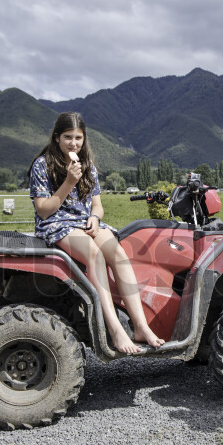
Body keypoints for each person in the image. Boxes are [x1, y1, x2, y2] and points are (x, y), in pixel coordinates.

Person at [28, 112, 164, 354]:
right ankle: (114, 329)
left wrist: (95, 217)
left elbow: (97, 204)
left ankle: (141, 326)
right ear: (57, 137)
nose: (73, 143)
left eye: (78, 137)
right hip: (57, 223)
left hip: (84, 221)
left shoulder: (88, 165)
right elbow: (44, 210)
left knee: (119, 255)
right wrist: (69, 181)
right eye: (68, 137)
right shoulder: (42, 165)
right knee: (95, 255)